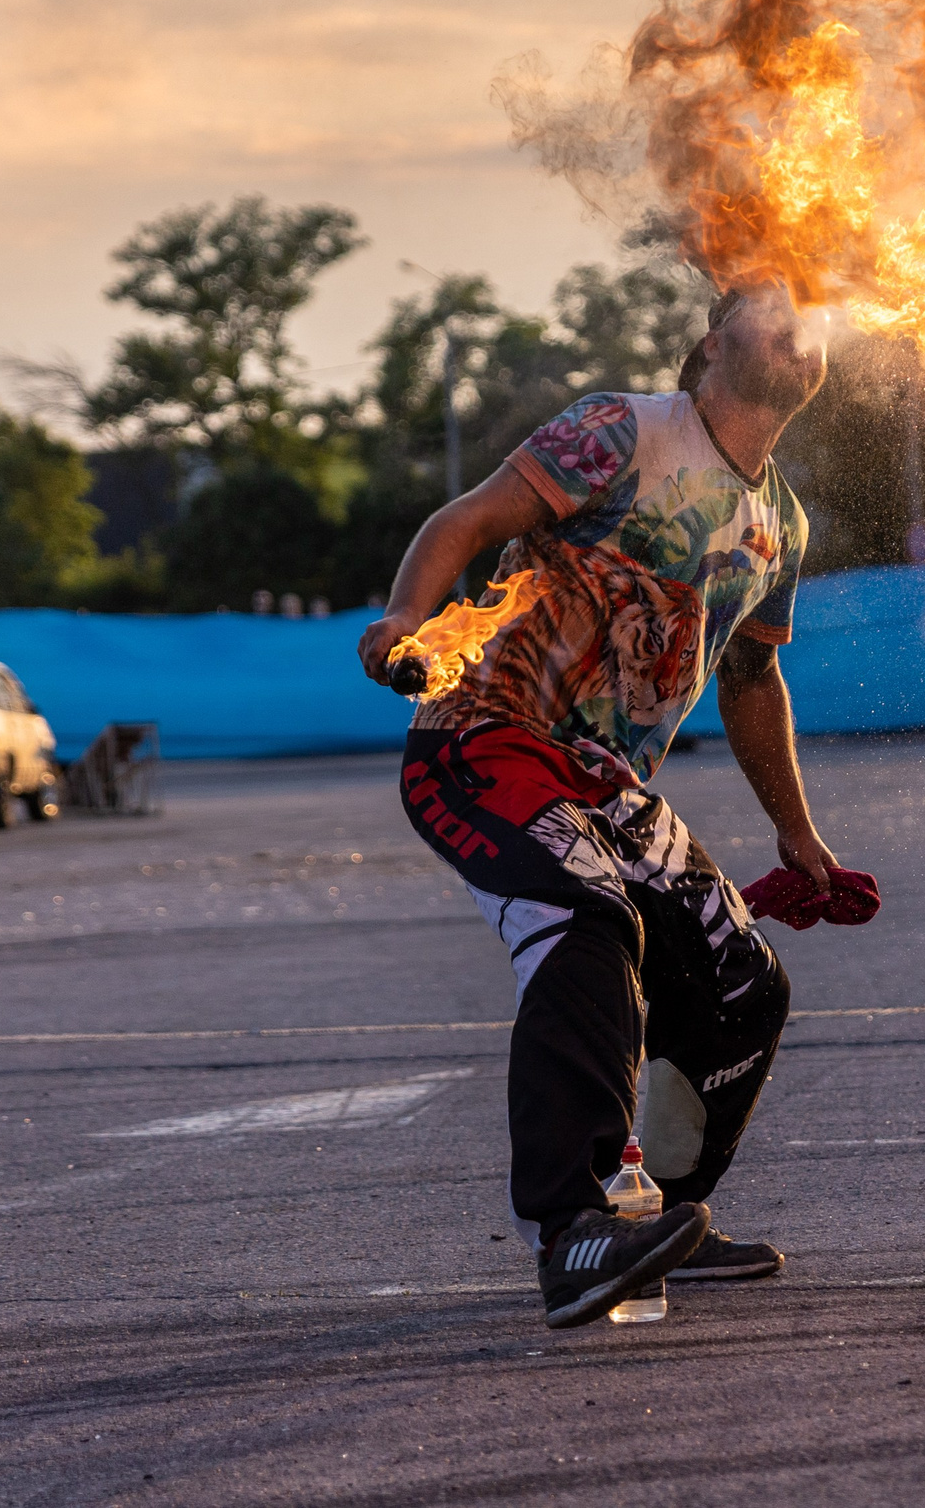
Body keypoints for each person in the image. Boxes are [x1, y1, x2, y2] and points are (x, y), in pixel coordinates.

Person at [357, 285, 847, 1329]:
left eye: (813, 321)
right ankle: (571, 1227)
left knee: (739, 983)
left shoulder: (781, 522)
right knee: (587, 921)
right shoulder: (624, 430)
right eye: (774, 313)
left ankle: (659, 1217)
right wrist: (409, 616)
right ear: (713, 346)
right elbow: (470, 517)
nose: (802, 332)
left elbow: (752, 682)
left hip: (603, 783)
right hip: (486, 736)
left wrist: (795, 832)